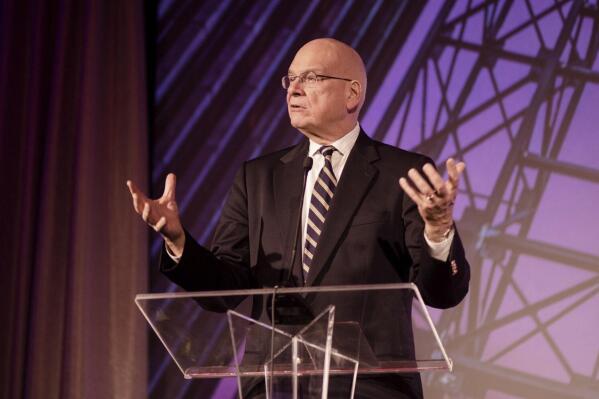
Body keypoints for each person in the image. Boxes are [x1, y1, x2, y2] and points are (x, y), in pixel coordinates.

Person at [128, 38, 469, 398]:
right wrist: (178, 241)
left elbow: (442, 294)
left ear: (352, 94)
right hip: (274, 384)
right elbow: (223, 292)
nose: (293, 88)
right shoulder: (258, 177)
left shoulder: (404, 174)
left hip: (368, 387)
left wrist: (438, 230)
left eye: (310, 77)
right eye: (289, 79)